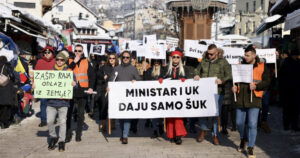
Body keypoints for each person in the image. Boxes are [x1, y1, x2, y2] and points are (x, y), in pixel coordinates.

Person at [232, 46, 270, 158]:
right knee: (239, 123)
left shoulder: (262, 66)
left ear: (254, 55)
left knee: (252, 124)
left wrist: (257, 86)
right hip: (240, 98)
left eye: (248, 55)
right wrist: (233, 87)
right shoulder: (239, 65)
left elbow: (267, 81)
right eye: (245, 55)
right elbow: (234, 80)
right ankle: (243, 139)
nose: (245, 57)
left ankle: (251, 147)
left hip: (255, 98)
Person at [194, 44, 231, 145]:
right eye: (208, 54)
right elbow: (197, 69)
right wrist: (196, 74)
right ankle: (203, 130)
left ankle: (215, 134)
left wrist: (222, 80)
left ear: (217, 53)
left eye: (211, 54)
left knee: (215, 114)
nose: (209, 56)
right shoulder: (204, 61)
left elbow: (229, 75)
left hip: (217, 92)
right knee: (202, 112)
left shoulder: (223, 62)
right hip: (204, 91)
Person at [40, 51, 75, 151]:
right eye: (58, 59)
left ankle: (61, 141)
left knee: (62, 122)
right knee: (50, 121)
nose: (59, 61)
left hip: (63, 103)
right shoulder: (50, 72)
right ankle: (53, 136)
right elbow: (43, 84)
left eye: (62, 59)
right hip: (51, 102)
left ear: (65, 61)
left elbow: (75, 85)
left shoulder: (69, 72)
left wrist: (74, 84)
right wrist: (36, 85)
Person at [110, 51, 141, 144]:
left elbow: (139, 80)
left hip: (129, 97)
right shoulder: (116, 69)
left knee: (127, 117)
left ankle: (125, 136)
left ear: (130, 58)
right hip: (119, 97)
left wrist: (135, 81)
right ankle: (122, 133)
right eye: (124, 57)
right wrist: (109, 87)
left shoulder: (133, 69)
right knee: (121, 118)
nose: (125, 59)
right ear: (121, 58)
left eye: (127, 57)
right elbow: (111, 81)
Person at [159, 50, 189, 145]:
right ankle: (171, 135)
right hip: (168, 97)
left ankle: (178, 136)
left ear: (180, 59)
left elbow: (190, 80)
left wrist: (185, 80)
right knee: (170, 117)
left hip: (180, 98)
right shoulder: (165, 69)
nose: (175, 59)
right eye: (174, 57)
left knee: (178, 117)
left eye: (178, 57)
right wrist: (160, 79)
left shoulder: (185, 69)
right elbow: (161, 77)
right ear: (171, 58)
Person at [66, 44, 95, 142]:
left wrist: (91, 87)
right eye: (76, 51)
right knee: (69, 114)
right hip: (71, 90)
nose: (77, 52)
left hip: (83, 90)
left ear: (82, 52)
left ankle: (78, 134)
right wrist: (74, 62)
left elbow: (92, 76)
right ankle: (68, 134)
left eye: (79, 51)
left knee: (80, 114)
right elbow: (66, 73)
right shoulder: (69, 61)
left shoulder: (86, 61)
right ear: (74, 52)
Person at [96, 53, 118, 132]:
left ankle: (113, 123)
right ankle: (103, 124)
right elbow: (98, 75)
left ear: (116, 59)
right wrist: (103, 77)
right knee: (103, 107)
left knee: (114, 107)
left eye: (113, 58)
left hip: (115, 91)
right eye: (110, 58)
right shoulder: (104, 67)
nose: (111, 59)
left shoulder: (118, 68)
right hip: (105, 90)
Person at [279, 49, 300, 132]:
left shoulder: (289, 62)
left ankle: (291, 125)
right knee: (290, 109)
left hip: (292, 90)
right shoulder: (289, 63)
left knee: (292, 109)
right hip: (290, 90)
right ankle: (290, 125)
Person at [34, 46, 56, 127]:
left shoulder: (55, 61)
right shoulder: (39, 62)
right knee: (43, 103)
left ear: (52, 53)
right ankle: (43, 120)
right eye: (45, 52)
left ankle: (52, 118)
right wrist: (34, 83)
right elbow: (36, 74)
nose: (47, 54)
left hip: (53, 87)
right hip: (43, 88)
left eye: (48, 52)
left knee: (53, 104)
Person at [143, 59, 164, 138]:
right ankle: (155, 130)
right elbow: (145, 81)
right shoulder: (149, 71)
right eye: (155, 62)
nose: (156, 63)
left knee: (161, 114)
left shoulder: (163, 70)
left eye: (158, 62)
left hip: (162, 96)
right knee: (154, 114)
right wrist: (144, 71)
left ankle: (161, 125)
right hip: (152, 96)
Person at [0, 56, 17, 129]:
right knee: (7, 106)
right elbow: (12, 76)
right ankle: (5, 123)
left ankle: (1, 122)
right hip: (6, 88)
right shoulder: (7, 66)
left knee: (1, 106)